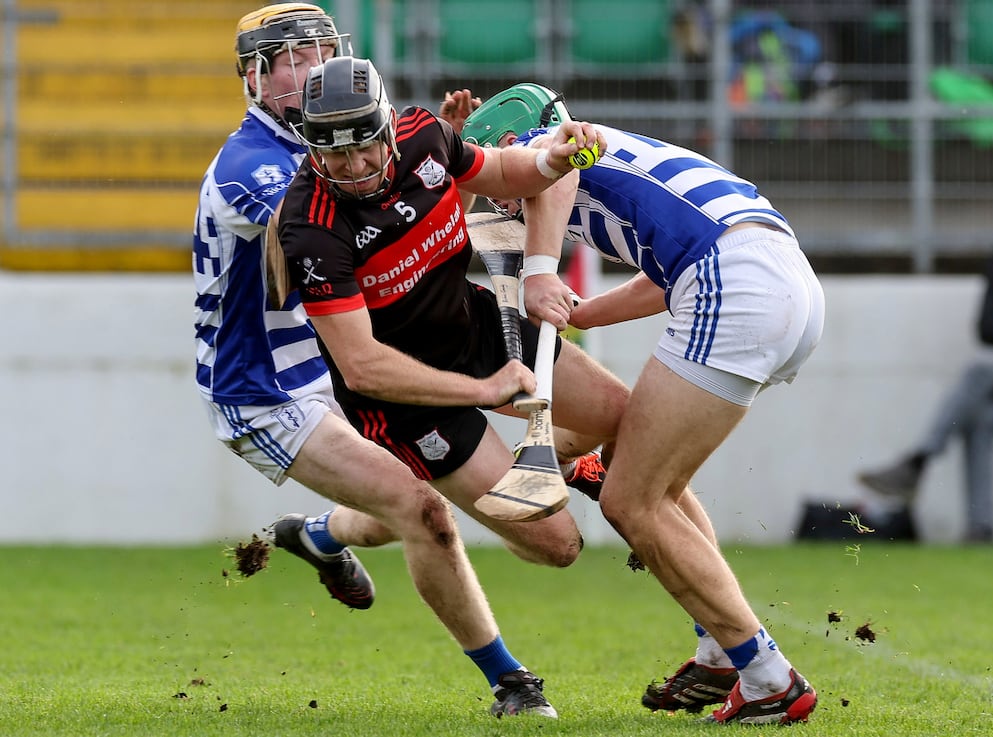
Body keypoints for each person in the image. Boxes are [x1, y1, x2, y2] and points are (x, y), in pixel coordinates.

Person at [193, 6, 562, 718]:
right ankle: (510, 681)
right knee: (420, 504)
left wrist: (444, 149)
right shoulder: (254, 168)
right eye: (285, 60)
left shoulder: (346, 137)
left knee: (421, 490)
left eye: (318, 52)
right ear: (253, 78)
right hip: (264, 391)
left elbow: (398, 197)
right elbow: (365, 219)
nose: (305, 72)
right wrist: (438, 160)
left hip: (332, 358)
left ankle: (320, 534)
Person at [459, 83, 824, 725]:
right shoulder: (617, 158)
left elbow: (556, 165)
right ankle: (719, 651)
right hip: (782, 282)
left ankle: (768, 678)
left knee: (632, 499)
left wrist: (542, 272)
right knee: (649, 479)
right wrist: (585, 312)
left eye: (495, 167)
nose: (497, 191)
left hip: (733, 283)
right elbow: (663, 271)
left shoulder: (561, 145)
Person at [275, 55, 628, 572]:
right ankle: (327, 531)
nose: (351, 168)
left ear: (387, 128)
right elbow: (363, 366)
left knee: (621, 414)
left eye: (363, 147)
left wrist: (552, 160)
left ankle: (557, 464)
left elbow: (502, 171)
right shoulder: (310, 226)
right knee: (560, 546)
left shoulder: (424, 134)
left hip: (475, 329)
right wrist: (483, 392)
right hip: (406, 401)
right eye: (334, 155)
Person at [857, 161, 993, 543]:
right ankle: (981, 529)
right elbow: (988, 328)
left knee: (979, 372)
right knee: (980, 417)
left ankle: (918, 461)